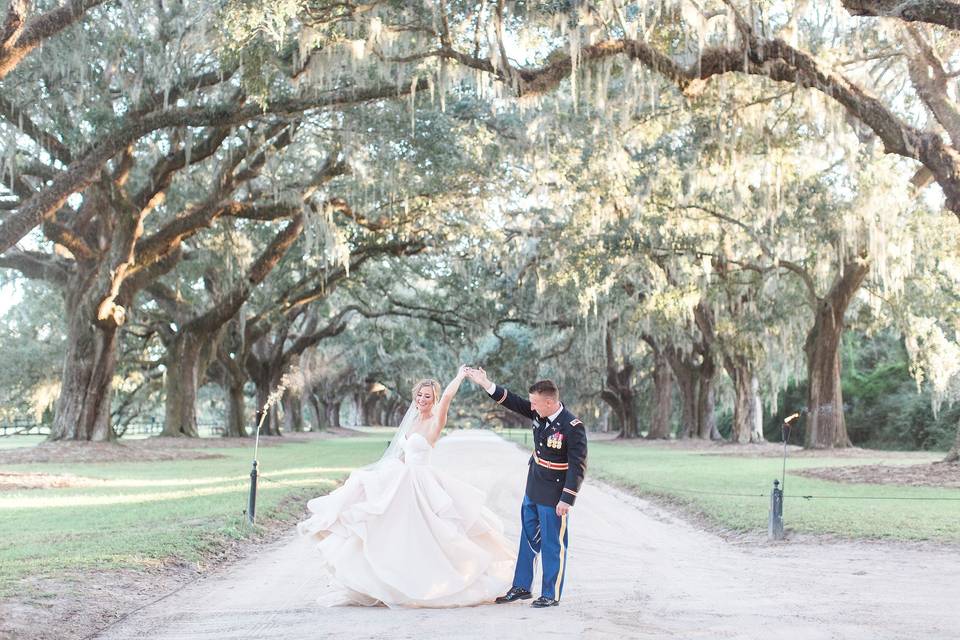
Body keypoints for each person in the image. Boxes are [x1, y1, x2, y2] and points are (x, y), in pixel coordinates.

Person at [297, 366, 515, 608]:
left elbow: (447, 398)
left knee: (428, 535)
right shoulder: (411, 421)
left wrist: (459, 376)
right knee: (386, 526)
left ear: (434, 400)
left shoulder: (436, 420)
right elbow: (402, 454)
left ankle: (429, 582)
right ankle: (384, 582)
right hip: (402, 478)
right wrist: (384, 476)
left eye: (428, 397)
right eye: (420, 395)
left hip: (422, 483)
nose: (422, 400)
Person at [464, 367, 587, 608]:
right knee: (528, 538)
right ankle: (522, 586)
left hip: (555, 492)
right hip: (534, 486)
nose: (531, 407)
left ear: (550, 402)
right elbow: (512, 401)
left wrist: (567, 499)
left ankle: (550, 594)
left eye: (535, 403)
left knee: (553, 543)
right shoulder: (539, 414)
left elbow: (578, 466)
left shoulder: (572, 426)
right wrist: (486, 383)